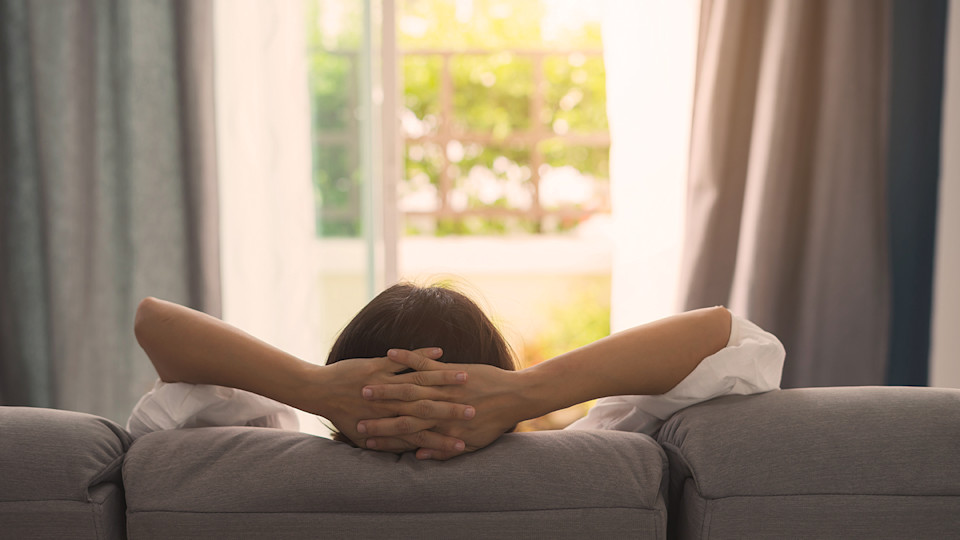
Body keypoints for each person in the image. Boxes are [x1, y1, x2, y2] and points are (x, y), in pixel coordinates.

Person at [128, 282, 784, 459]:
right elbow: (730, 339)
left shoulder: (248, 465)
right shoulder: (603, 466)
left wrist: (311, 389)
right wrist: (526, 395)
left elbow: (156, 325)